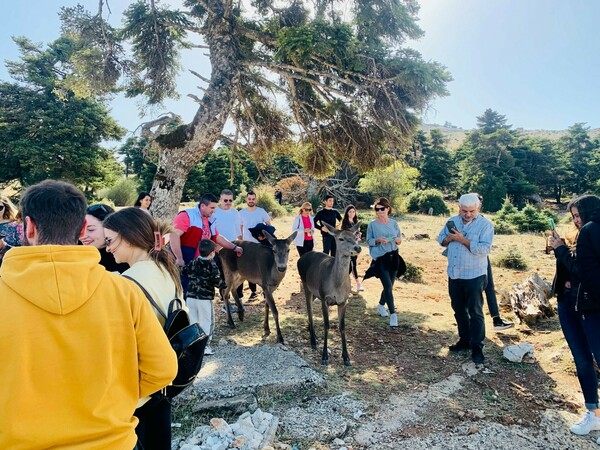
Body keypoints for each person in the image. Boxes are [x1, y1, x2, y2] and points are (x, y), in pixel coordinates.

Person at [0, 180, 177, 450]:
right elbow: (163, 369)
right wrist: (113, 397)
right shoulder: (123, 291)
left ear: (29, 227)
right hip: (113, 442)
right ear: (82, 228)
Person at [103, 207, 183, 450]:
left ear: (128, 237)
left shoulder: (126, 283)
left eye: (110, 240)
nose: (107, 248)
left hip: (140, 391)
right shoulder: (163, 267)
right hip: (164, 382)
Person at [549, 194, 600, 438]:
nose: (576, 221)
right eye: (573, 217)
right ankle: (593, 413)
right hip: (569, 303)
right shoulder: (580, 235)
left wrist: (561, 251)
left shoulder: (593, 232)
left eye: (578, 215)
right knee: (581, 359)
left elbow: (583, 271)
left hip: (591, 307)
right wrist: (561, 249)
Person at [437, 193, 493, 365]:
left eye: (472, 211)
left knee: (475, 312)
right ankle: (464, 340)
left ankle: (477, 347)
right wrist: (449, 238)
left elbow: (483, 250)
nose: (468, 214)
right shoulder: (451, 221)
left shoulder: (486, 225)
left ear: (478, 209)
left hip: (474, 275)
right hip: (454, 274)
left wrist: (463, 240)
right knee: (458, 309)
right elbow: (440, 240)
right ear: (458, 208)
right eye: (464, 211)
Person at [169, 193, 243, 298]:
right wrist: (179, 258)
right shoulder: (186, 216)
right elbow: (174, 235)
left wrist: (235, 247)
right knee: (183, 293)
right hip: (185, 261)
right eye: (212, 207)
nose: (214, 210)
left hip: (200, 264)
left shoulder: (210, 219)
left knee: (196, 295)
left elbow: (217, 237)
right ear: (203, 206)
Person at [475, 194, 513, 331]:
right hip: (470, 262)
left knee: (490, 287)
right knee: (474, 291)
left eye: (479, 203)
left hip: (483, 257)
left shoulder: (483, 221)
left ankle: (496, 319)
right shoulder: (460, 221)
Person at [181, 239, 225, 356]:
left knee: (193, 321)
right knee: (207, 322)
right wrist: (223, 285)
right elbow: (216, 281)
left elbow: (184, 271)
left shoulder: (193, 262)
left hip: (190, 298)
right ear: (212, 253)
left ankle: (193, 345)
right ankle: (205, 346)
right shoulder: (212, 265)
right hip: (205, 299)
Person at [366, 198, 402, 327]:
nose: (379, 211)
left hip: (394, 257)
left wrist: (397, 240)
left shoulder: (394, 223)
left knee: (389, 286)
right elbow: (368, 241)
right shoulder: (372, 224)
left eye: (382, 209)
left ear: (388, 209)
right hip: (380, 258)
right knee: (387, 285)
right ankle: (393, 315)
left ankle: (381, 305)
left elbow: (400, 239)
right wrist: (377, 240)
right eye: (377, 209)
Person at [239, 190, 271, 301]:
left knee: (263, 268)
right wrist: (240, 242)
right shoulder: (241, 213)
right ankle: (253, 292)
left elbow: (269, 225)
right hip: (247, 245)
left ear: (255, 200)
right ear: (246, 199)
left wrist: (264, 236)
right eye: (249, 199)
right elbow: (240, 228)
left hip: (261, 245)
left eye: (253, 199)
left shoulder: (261, 212)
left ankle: (266, 291)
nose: (251, 201)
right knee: (250, 268)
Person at [212, 189, 243, 300]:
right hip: (219, 247)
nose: (228, 202)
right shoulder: (214, 211)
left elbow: (238, 230)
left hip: (233, 246)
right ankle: (225, 299)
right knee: (222, 274)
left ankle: (239, 298)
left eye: (230, 200)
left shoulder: (235, 212)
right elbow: (211, 230)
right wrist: (215, 245)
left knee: (238, 272)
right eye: (225, 200)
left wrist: (241, 243)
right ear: (220, 199)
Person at [80, 203, 129, 273]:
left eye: (91, 229)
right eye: (80, 230)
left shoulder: (123, 257)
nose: (83, 236)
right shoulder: (75, 254)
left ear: (109, 228)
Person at [342, 204, 364, 292]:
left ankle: (343, 282)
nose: (352, 213)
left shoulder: (355, 222)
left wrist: (358, 235)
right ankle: (358, 284)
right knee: (353, 264)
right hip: (349, 248)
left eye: (353, 211)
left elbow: (356, 235)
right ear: (347, 213)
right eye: (350, 211)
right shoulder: (345, 223)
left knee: (350, 266)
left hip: (355, 246)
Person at [0, 195, 21, 265]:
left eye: (0, 207)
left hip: (11, 260)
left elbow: (21, 244)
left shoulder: (15, 224)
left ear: (5, 207)